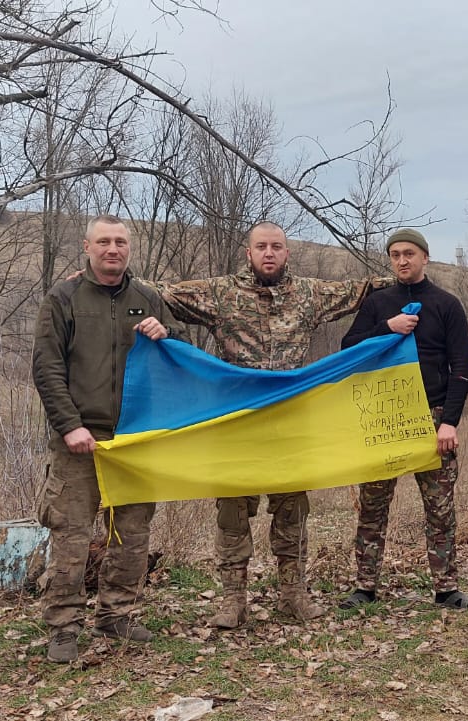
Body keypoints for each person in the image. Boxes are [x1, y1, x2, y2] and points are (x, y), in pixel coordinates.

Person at [152, 221, 393, 628]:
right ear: (248, 253)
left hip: (289, 424)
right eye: (261, 246)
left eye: (276, 247)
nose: (269, 253)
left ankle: (292, 594)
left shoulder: (309, 295)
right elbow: (158, 292)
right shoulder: (221, 293)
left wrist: (406, 278)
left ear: (287, 253)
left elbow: (362, 290)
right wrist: (102, 279)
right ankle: (232, 600)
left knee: (292, 510)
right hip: (236, 423)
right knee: (232, 512)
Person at [32, 214, 185, 663]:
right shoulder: (64, 298)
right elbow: (46, 367)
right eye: (104, 242)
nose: (112, 249)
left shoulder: (149, 298)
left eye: (120, 241)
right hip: (80, 440)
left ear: (130, 248)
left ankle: (116, 614)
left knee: (131, 534)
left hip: (136, 440)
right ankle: (63, 625)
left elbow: (181, 354)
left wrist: (168, 332)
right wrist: (69, 425)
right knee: (71, 535)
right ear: (87, 246)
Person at [336, 228, 468, 610]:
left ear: (425, 258)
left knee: (440, 508)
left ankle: (446, 587)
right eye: (396, 254)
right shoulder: (378, 304)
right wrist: (388, 328)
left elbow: (462, 366)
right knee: (372, 506)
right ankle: (365, 586)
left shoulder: (446, 304)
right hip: (384, 417)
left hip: (432, 419)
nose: (402, 260)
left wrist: (450, 421)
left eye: (410, 254)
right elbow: (348, 349)